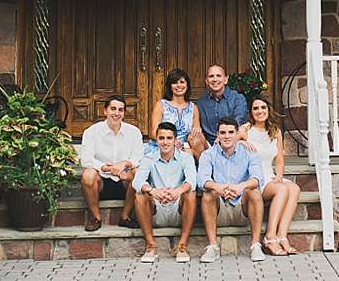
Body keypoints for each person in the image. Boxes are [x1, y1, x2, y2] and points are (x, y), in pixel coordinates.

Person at [197, 117, 266, 263]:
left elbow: (258, 178)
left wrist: (239, 187)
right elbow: (201, 180)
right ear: (217, 135)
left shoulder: (249, 152)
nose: (227, 136)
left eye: (230, 132)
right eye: (222, 133)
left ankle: (255, 245)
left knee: (254, 191)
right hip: (219, 207)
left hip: (242, 207)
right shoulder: (208, 154)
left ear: (236, 134)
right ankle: (213, 247)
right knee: (208, 193)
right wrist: (219, 187)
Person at [239, 96, 301, 255]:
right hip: (255, 178)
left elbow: (279, 158)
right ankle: (269, 236)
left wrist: (279, 175)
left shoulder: (275, 131)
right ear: (251, 113)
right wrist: (241, 140)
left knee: (294, 188)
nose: (259, 111)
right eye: (255, 108)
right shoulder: (246, 130)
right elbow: (225, 141)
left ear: (268, 110)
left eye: (263, 108)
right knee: (281, 190)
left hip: (269, 173)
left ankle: (282, 235)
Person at [132, 121, 198, 263]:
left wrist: (177, 191)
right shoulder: (149, 158)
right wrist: (153, 191)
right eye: (161, 138)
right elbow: (137, 181)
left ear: (175, 140)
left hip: (178, 208)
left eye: (169, 138)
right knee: (140, 195)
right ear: (157, 139)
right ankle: (151, 246)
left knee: (191, 194)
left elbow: (192, 180)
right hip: (156, 208)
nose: (165, 142)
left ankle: (182, 246)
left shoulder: (186, 157)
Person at [79, 95, 143, 231]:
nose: (116, 113)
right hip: (101, 182)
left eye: (120, 110)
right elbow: (86, 159)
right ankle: (96, 218)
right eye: (113, 109)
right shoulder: (91, 132)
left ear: (124, 113)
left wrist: (124, 164)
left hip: (125, 183)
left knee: (137, 173)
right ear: (105, 111)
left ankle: (125, 217)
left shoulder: (134, 132)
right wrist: (103, 167)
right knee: (87, 174)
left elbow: (138, 158)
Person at [147, 68, 206, 160]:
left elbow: (196, 132)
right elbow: (154, 132)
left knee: (194, 144)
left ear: (187, 85)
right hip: (163, 145)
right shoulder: (161, 105)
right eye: (175, 82)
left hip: (183, 147)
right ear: (170, 86)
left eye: (182, 82)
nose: (179, 85)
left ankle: (204, 170)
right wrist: (171, 141)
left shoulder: (193, 107)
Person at [196, 64, 247, 145]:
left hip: (232, 140)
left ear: (226, 80)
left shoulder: (237, 98)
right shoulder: (201, 102)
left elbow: (238, 122)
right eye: (211, 76)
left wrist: (221, 137)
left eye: (218, 76)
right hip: (208, 145)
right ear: (206, 81)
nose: (215, 79)